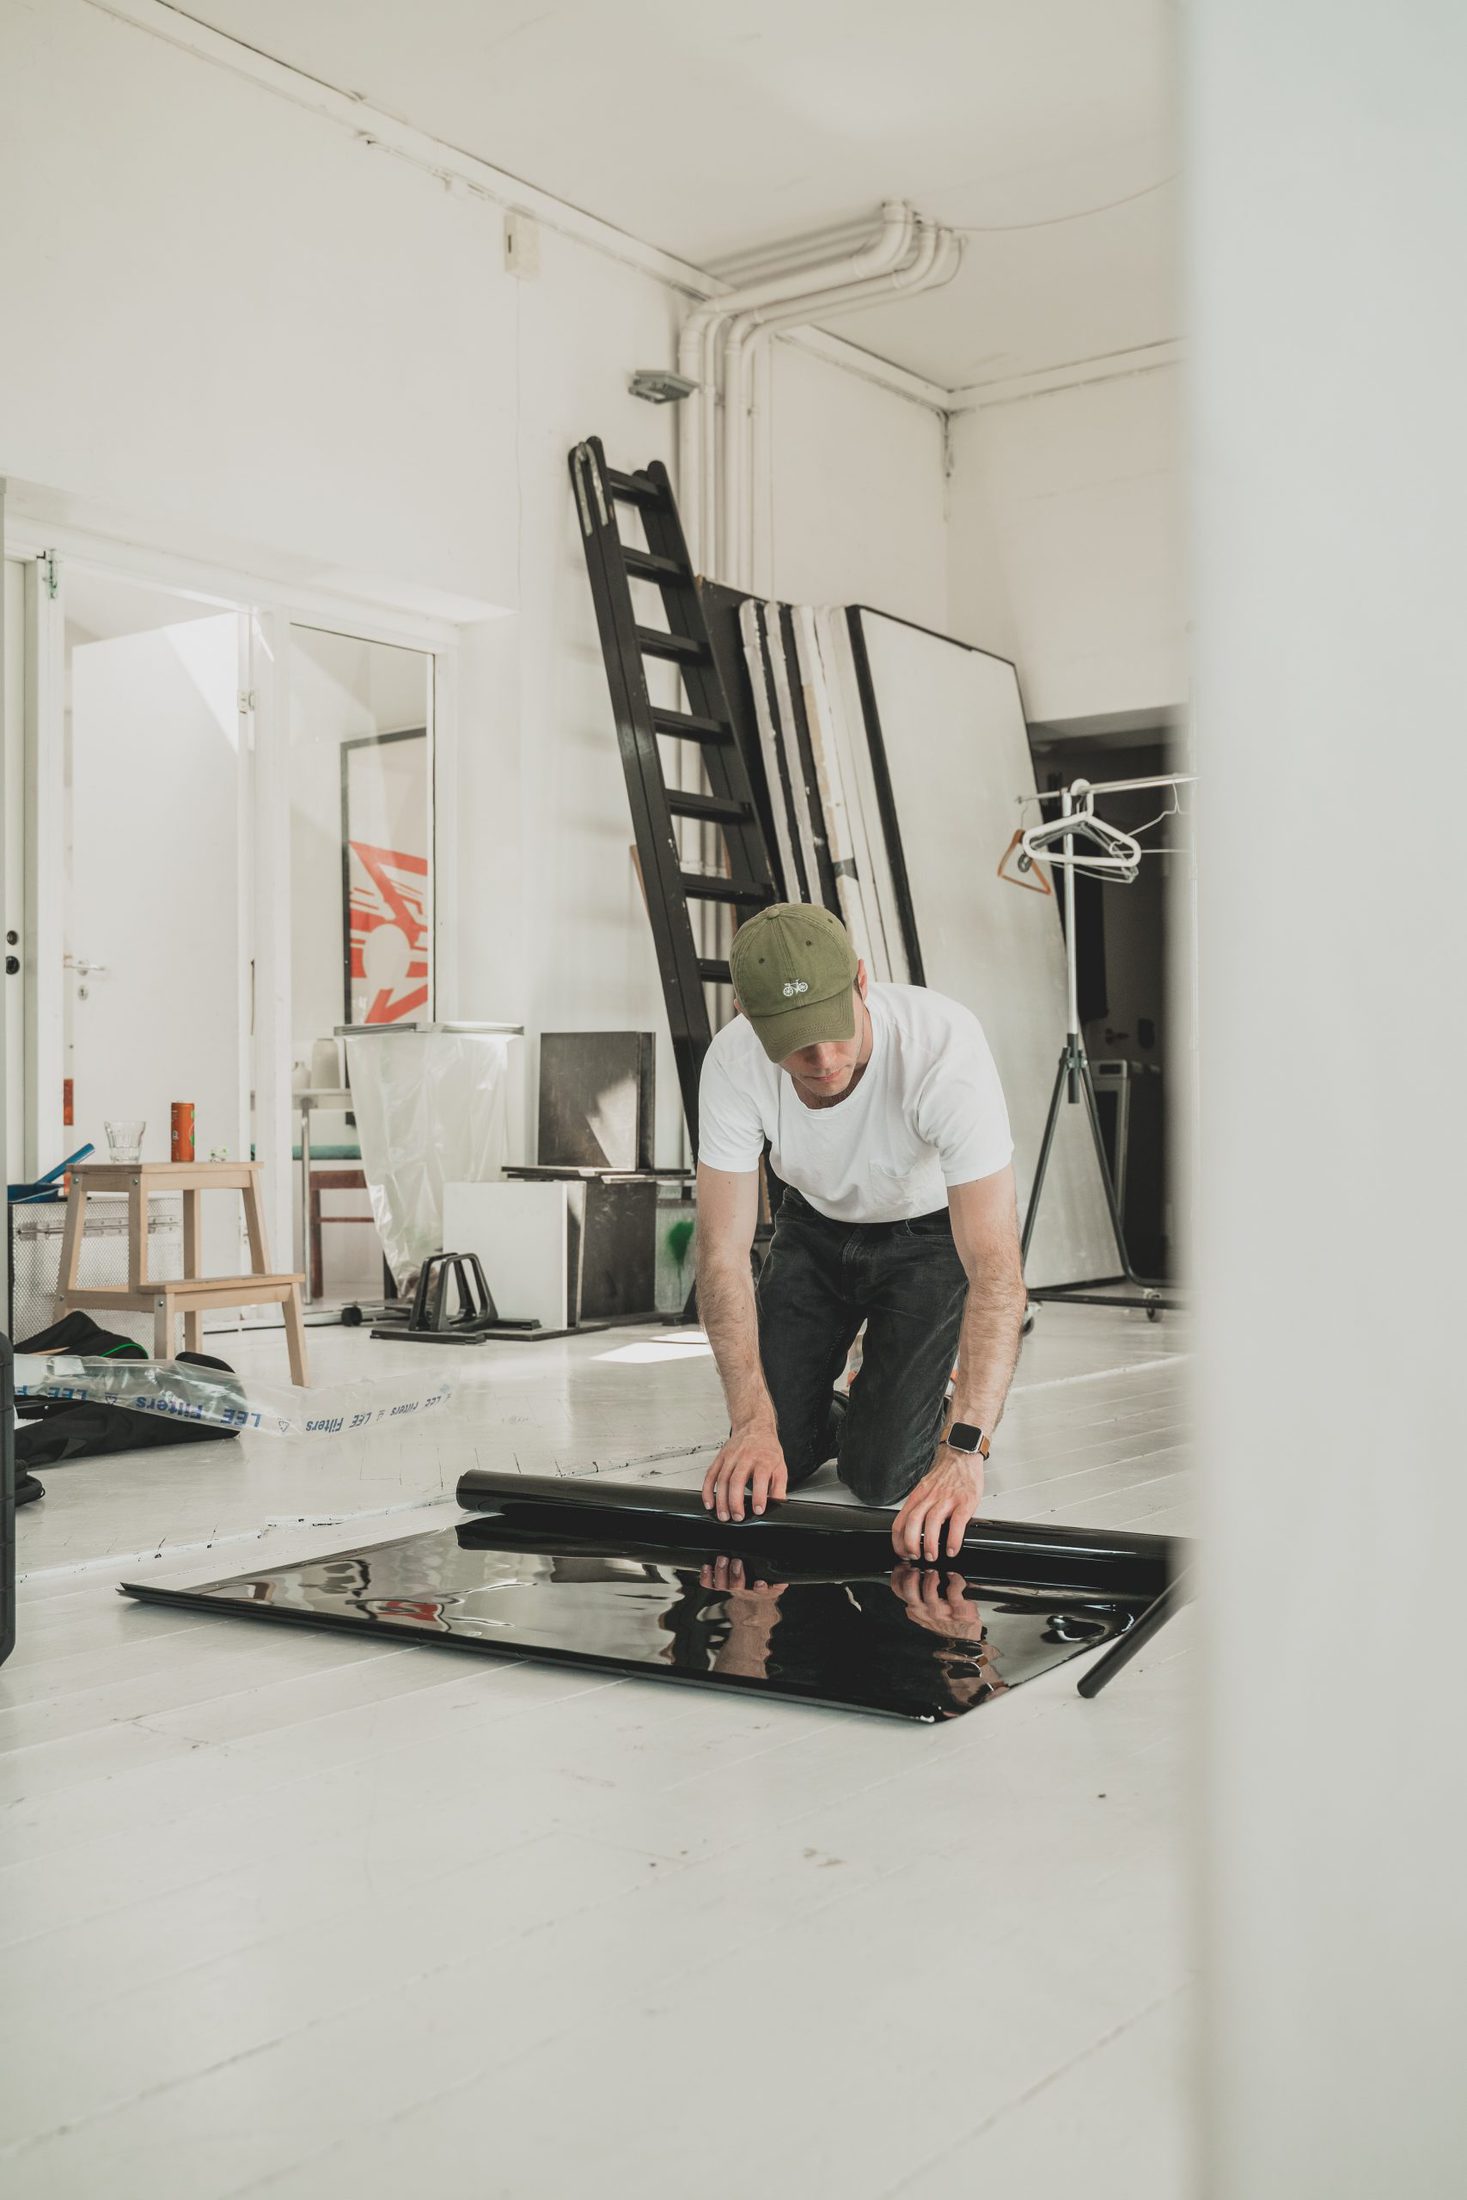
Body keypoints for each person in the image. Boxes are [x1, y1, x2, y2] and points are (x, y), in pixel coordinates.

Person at [695, 902, 1027, 1562]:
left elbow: (996, 1270)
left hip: (928, 1237)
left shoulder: (942, 1047)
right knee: (774, 1459)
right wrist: (752, 1421)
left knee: (879, 1480)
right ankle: (841, 1407)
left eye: (831, 1026)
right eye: (793, 1038)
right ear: (744, 1015)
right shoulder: (732, 1063)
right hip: (812, 1227)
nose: (820, 1058)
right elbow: (720, 1255)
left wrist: (964, 1450)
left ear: (861, 981)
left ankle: (903, 1405)